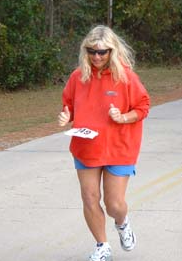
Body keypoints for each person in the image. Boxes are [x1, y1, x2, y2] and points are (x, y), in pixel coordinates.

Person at [58, 25, 150, 261]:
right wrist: (66, 116)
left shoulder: (127, 77)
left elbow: (142, 106)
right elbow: (68, 104)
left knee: (114, 204)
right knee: (89, 198)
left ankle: (122, 223)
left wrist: (123, 117)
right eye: (92, 51)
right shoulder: (78, 77)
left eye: (103, 52)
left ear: (112, 51)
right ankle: (102, 245)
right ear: (85, 51)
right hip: (86, 146)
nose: (97, 57)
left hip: (119, 147)